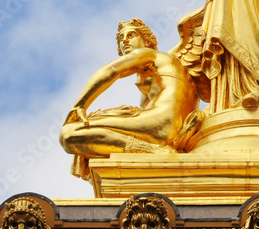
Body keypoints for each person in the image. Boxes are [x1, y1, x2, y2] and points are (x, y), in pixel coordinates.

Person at [59, 19, 198, 178]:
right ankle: (145, 153)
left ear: (146, 41)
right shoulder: (157, 75)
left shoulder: (149, 54)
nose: (125, 40)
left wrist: (80, 105)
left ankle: (153, 151)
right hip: (171, 127)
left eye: (131, 35)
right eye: (120, 38)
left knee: (69, 133)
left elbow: (111, 70)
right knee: (90, 134)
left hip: (162, 122)